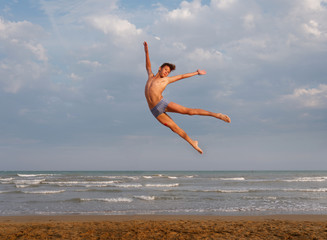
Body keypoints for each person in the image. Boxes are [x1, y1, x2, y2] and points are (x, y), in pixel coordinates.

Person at [144, 41, 230, 154]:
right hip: (155, 111)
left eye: (168, 72)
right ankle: (193, 143)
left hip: (162, 103)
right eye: (165, 70)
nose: (166, 73)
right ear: (160, 68)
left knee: (189, 111)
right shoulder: (150, 76)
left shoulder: (166, 80)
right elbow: (148, 65)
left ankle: (217, 115)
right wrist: (146, 51)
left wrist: (196, 72)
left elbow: (182, 76)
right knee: (175, 128)